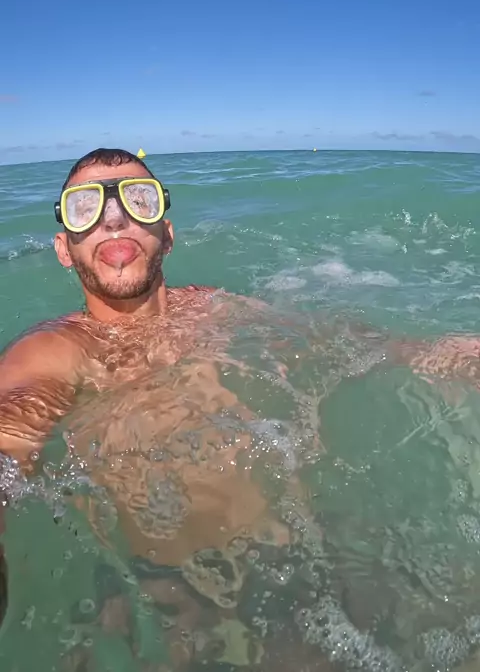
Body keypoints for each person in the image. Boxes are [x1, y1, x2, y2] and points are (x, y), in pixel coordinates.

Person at [0, 146, 478, 669]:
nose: (113, 219)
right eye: (84, 208)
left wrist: (438, 353)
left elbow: (339, 339)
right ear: (63, 248)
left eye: (139, 200)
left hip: (321, 552)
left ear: (167, 233)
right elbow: (9, 438)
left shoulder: (212, 307)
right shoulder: (55, 351)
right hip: (192, 600)